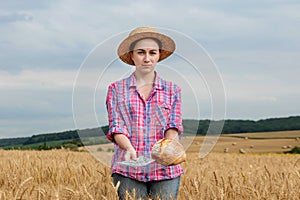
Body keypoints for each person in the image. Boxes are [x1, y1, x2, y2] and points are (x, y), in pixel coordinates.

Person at [105, 26, 184, 200]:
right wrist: (128, 148)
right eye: (141, 52)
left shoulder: (173, 90)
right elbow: (117, 126)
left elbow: (173, 125)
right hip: (128, 167)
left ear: (158, 56)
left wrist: (170, 148)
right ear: (132, 55)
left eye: (152, 53)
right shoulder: (116, 90)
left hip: (165, 169)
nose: (147, 59)